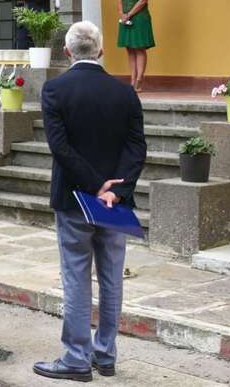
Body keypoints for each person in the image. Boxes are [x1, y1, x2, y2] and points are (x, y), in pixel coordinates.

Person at [35, 22, 147, 382]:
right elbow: (136, 147)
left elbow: (60, 148)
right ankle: (105, 355)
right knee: (112, 279)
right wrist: (116, 190)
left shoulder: (55, 89)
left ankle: (76, 358)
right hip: (115, 203)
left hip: (74, 199)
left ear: (67, 52)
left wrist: (95, 185)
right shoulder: (125, 93)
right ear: (101, 51)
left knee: (76, 276)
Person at [117, 0, 155, 91]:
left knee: (139, 48)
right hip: (126, 18)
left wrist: (129, 14)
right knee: (130, 49)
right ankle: (132, 79)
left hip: (139, 18)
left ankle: (139, 80)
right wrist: (122, 13)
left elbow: (143, 0)